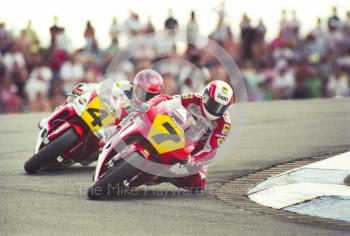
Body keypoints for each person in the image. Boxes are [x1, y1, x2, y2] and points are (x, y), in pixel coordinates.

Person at [144, 80, 234, 192]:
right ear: (205, 96)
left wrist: (192, 159)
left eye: (221, 108)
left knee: (199, 183)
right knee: (145, 119)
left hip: (190, 151)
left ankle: (166, 175)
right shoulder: (193, 98)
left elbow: (211, 149)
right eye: (213, 104)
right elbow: (168, 100)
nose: (215, 110)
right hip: (171, 130)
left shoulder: (224, 124)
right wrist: (151, 103)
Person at [39, 69, 164, 132]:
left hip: (110, 132)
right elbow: (106, 86)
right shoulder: (126, 85)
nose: (145, 97)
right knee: (81, 88)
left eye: (149, 95)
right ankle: (54, 115)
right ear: (136, 85)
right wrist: (88, 89)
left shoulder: (149, 110)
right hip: (103, 113)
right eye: (143, 92)